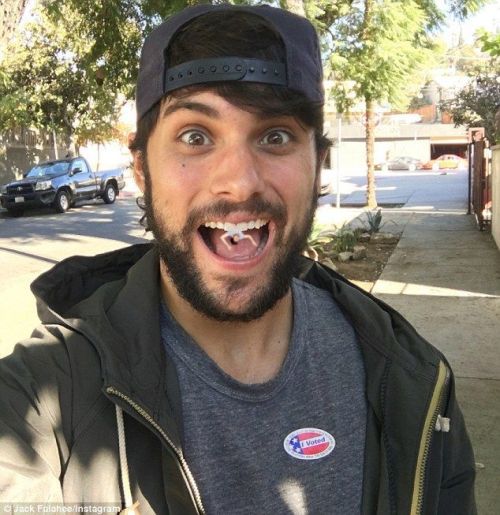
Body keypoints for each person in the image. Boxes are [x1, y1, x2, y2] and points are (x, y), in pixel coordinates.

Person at [0, 4, 476, 514]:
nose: (239, 181)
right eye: (195, 137)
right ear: (142, 168)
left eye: (275, 136)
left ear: (318, 165)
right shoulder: (42, 397)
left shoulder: (413, 383)